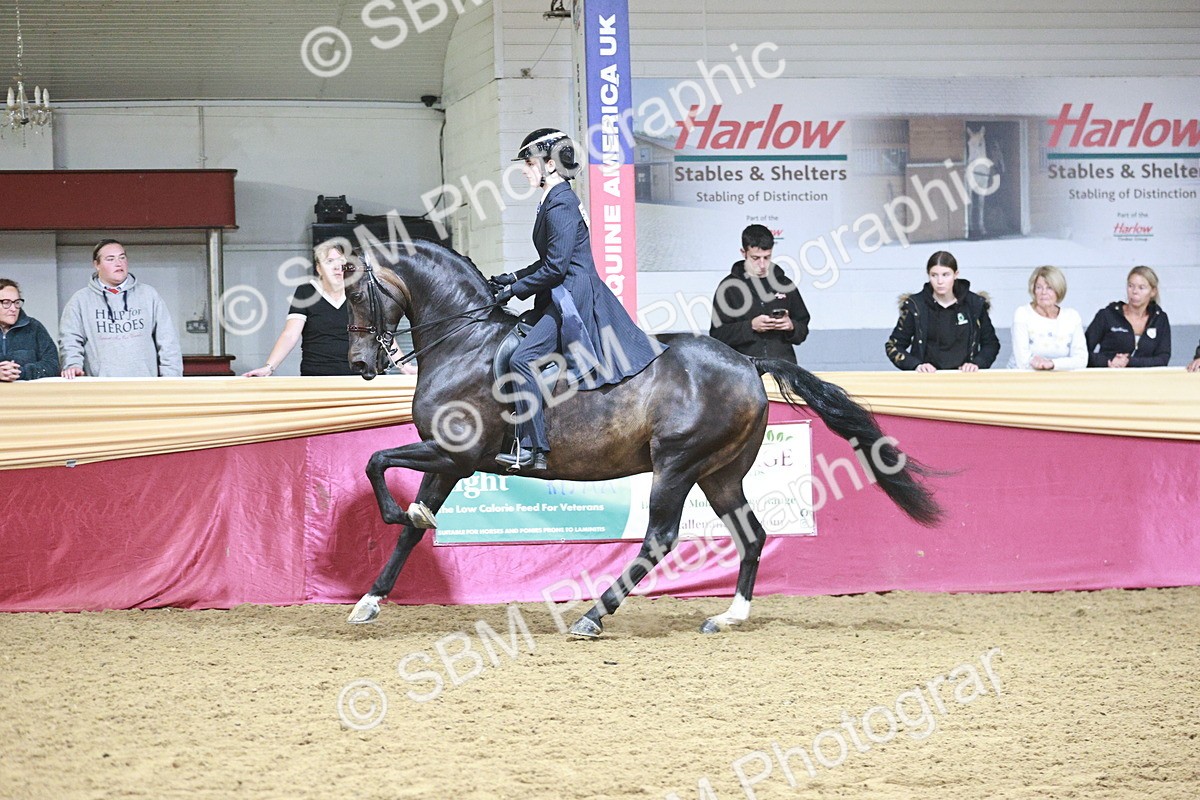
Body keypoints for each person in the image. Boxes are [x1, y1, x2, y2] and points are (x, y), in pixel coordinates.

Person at [489, 127, 663, 473]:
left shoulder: (561, 203)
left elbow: (555, 268)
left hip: (573, 296)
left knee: (524, 358)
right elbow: (551, 259)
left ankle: (534, 449)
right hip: (563, 288)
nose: (524, 170)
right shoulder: (553, 200)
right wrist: (511, 277)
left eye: (528, 162)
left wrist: (514, 291)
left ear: (549, 164)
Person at [59, 239, 183, 378]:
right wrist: (72, 365)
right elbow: (70, 341)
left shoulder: (148, 295)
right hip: (100, 389)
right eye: (110, 259)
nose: (118, 263)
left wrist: (171, 380)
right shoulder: (80, 300)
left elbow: (168, 342)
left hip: (145, 387)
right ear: (97, 265)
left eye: (122, 257)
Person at [244, 241, 359, 377]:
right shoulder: (306, 292)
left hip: (357, 376)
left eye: (342, 262)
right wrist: (269, 367)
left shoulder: (361, 294)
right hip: (316, 376)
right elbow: (290, 335)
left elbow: (381, 333)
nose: (337, 267)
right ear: (319, 269)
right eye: (329, 261)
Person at [708, 224, 811, 363]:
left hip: (783, 367)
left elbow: (802, 330)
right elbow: (717, 335)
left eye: (767, 257)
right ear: (743, 253)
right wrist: (750, 326)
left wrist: (791, 326)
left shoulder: (785, 284)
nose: (762, 265)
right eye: (755, 258)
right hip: (743, 370)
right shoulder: (728, 288)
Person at [885, 250, 999, 372]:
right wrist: (916, 365)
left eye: (945, 275)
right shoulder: (916, 306)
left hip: (965, 380)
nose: (940, 281)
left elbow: (991, 344)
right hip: (926, 381)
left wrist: (977, 363)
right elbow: (893, 346)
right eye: (934, 275)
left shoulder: (974, 304)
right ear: (928, 275)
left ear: (956, 274)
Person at [1084, 266, 1171, 368]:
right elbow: (1082, 353)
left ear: (1153, 291)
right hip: (1109, 379)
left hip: (1145, 381)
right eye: (1131, 286)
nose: (1134, 291)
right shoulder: (1107, 315)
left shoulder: (1160, 319)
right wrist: (1108, 361)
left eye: (1141, 288)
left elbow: (1163, 358)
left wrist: (1129, 362)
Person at [1008, 265, 1087, 371]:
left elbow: (1081, 360)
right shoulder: (1022, 313)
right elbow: (1022, 361)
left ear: (1058, 290)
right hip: (1024, 379)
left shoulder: (1072, 317)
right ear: (1034, 290)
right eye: (1039, 287)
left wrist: (1052, 364)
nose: (1043, 292)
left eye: (1049, 288)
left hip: (1060, 380)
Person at [0, 278, 59, 381]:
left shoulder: (34, 327)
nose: (13, 308)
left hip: (29, 394)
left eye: (17, 302)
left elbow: (53, 365)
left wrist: (21, 372)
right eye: (6, 303)